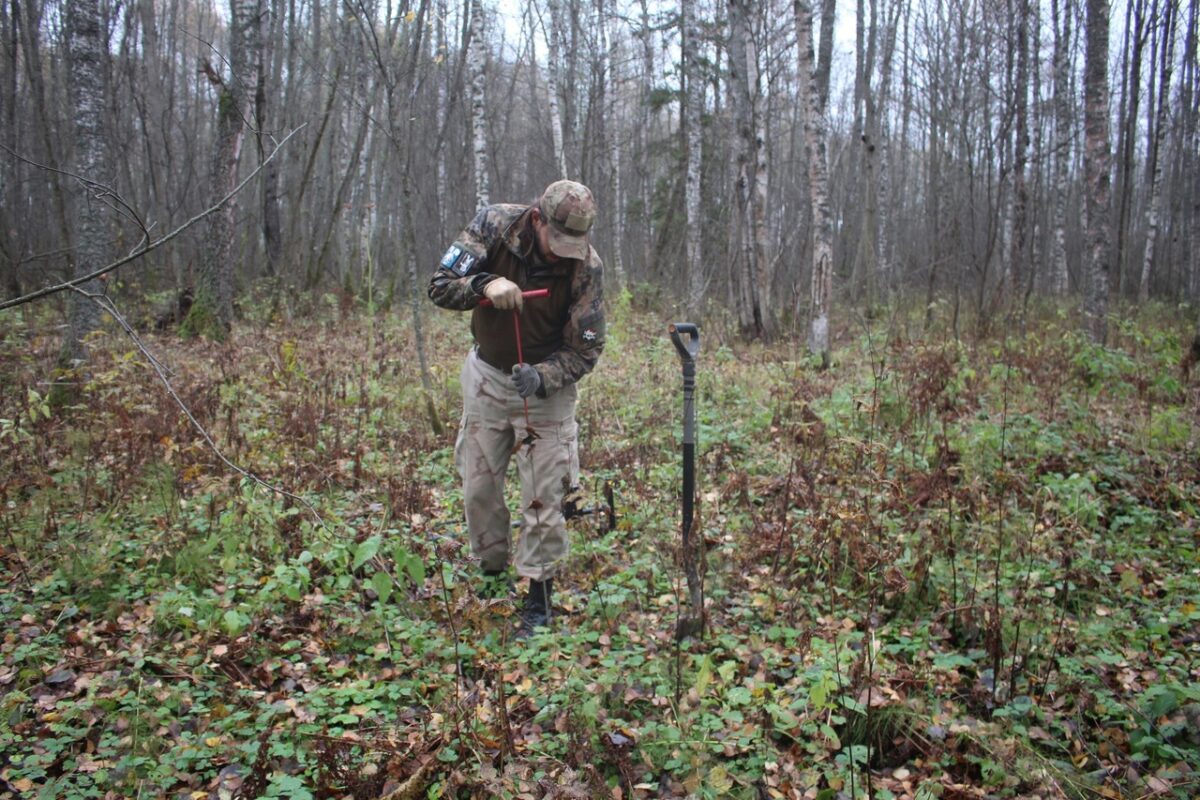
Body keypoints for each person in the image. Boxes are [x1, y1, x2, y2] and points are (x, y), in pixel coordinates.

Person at [428, 180, 605, 634]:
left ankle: (538, 598)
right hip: (487, 378)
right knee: (479, 487)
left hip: (546, 394)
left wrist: (543, 377)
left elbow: (586, 349)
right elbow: (440, 286)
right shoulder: (493, 226)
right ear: (537, 219)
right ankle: (490, 573)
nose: (564, 253)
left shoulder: (585, 267)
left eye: (574, 244)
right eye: (558, 240)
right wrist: (485, 285)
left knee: (546, 495)